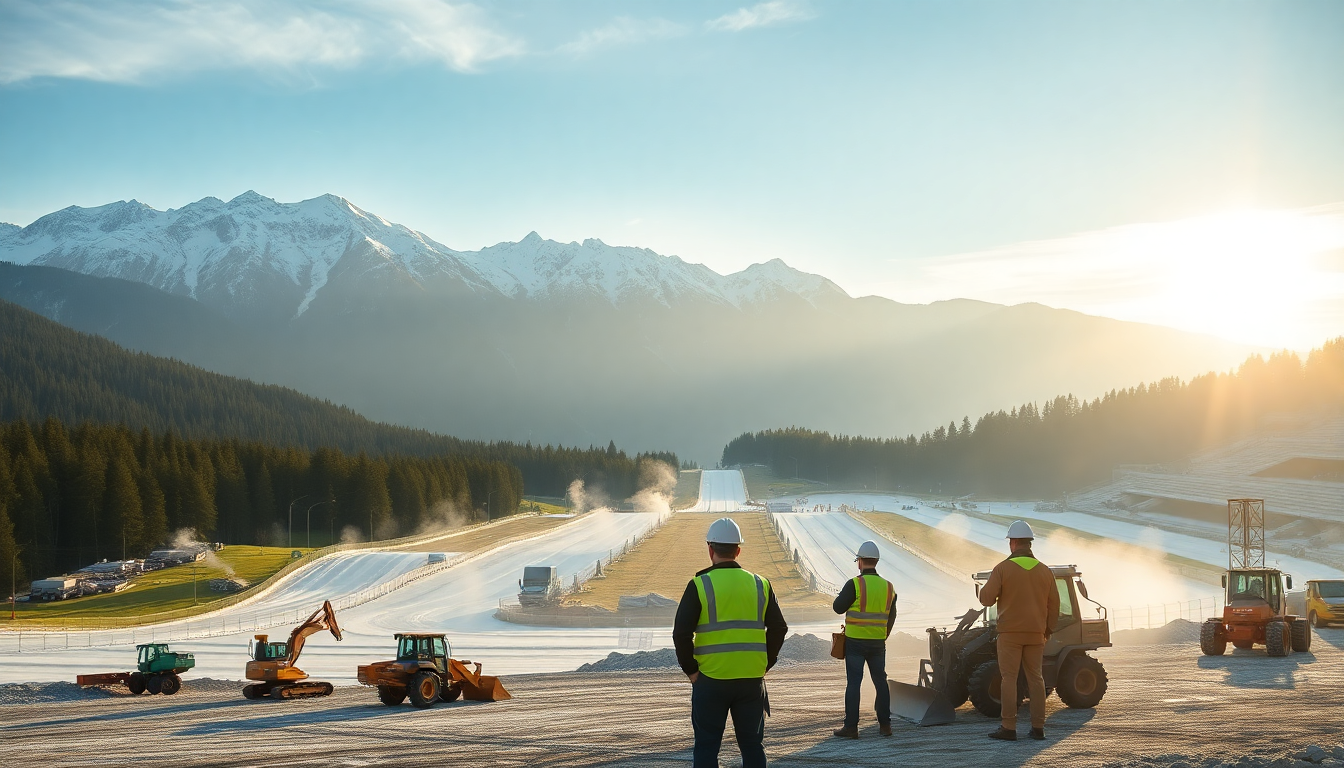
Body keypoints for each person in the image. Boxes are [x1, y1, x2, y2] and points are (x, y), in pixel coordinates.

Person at [673, 517, 789, 768]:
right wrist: (765, 663)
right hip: (751, 680)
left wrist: (691, 671)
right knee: (753, 746)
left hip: (710, 679)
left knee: (706, 747)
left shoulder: (699, 584)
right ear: (738, 551)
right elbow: (779, 628)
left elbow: (681, 633)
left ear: (710, 549)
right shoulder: (761, 584)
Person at [977, 520, 1059, 742]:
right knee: (1036, 678)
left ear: (1012, 543)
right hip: (1036, 634)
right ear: (1030, 543)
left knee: (1009, 679)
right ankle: (1038, 728)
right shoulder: (1045, 571)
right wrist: (1047, 630)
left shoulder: (1002, 569)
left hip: (1010, 634)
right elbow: (1055, 605)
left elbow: (986, 599)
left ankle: (1009, 727)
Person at [831, 540, 898, 739]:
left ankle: (851, 727)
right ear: (876, 561)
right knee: (880, 682)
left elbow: (837, 607)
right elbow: (892, 616)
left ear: (859, 561)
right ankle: (885, 726)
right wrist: (882, 635)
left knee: (854, 683)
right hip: (878, 643)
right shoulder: (889, 587)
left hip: (855, 643)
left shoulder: (855, 584)